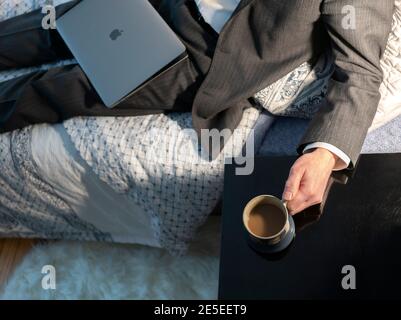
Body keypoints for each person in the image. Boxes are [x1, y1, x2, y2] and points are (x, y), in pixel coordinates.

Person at [0, 0, 394, 215]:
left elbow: (360, 71)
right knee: (61, 24)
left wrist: (324, 153)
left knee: (66, 87)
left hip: (205, 57)